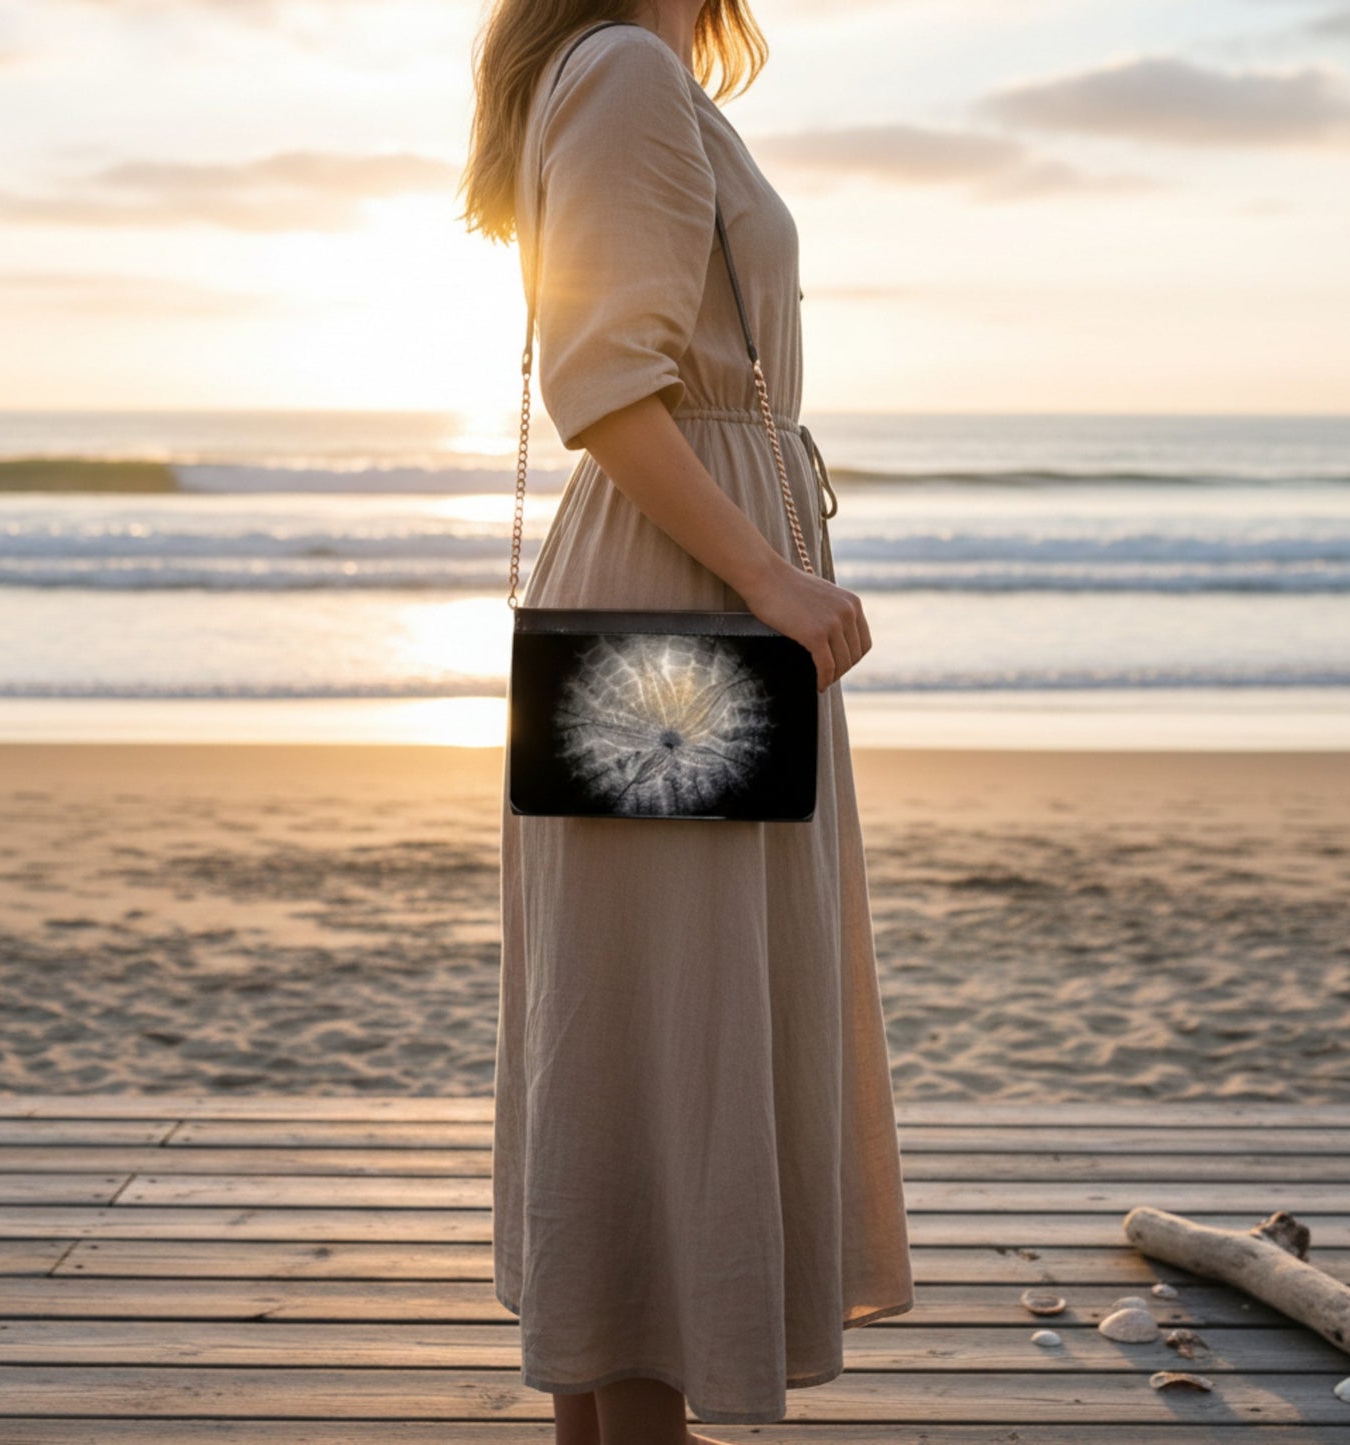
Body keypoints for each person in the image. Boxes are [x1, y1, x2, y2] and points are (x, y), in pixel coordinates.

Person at [460, 3, 915, 1441]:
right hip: (687, 605)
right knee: (665, 1033)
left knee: (644, 1029)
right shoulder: (628, 70)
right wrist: (771, 571)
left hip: (686, 587)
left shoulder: (627, 73)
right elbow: (600, 374)